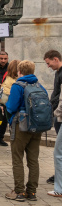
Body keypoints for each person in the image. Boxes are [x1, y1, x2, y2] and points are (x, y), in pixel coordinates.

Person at [5, 60, 50, 201]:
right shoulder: (39, 85)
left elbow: (11, 107)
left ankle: (19, 192)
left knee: (17, 158)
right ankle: (32, 192)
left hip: (21, 126)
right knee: (33, 161)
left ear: (19, 71)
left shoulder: (18, 85)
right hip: (36, 126)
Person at [44, 50, 62, 185]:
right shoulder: (58, 73)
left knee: (59, 150)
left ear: (55, 59)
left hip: (59, 114)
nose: (48, 66)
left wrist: (56, 112)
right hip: (57, 113)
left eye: (48, 63)